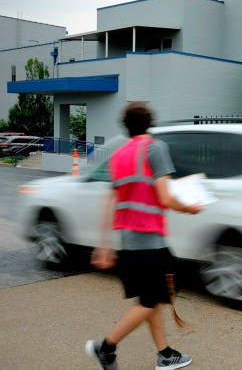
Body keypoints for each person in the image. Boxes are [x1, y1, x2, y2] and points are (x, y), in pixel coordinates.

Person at [85, 102, 201, 370]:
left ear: (126, 127)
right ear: (150, 123)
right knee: (155, 299)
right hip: (151, 241)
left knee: (151, 300)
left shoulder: (119, 154)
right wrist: (189, 207)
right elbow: (165, 196)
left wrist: (104, 245)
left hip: (128, 243)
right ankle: (106, 347)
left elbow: (110, 201)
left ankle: (165, 354)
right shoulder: (155, 148)